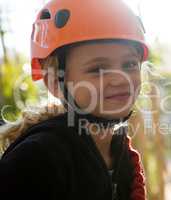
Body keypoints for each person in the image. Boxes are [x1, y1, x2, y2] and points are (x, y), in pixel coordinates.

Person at [0, 0, 149, 199]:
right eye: (98, 69)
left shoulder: (121, 152)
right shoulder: (35, 161)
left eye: (129, 64)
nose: (119, 79)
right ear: (54, 82)